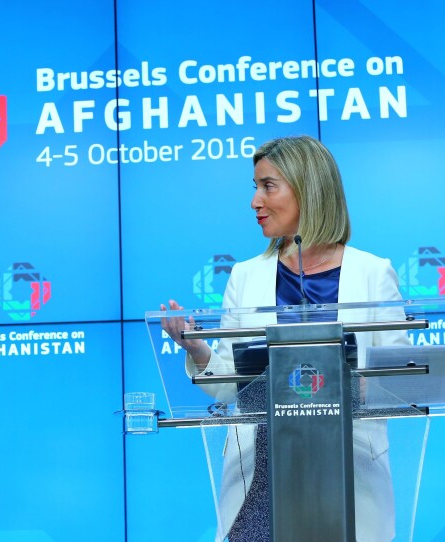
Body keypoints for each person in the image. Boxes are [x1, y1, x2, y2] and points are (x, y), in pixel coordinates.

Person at [161, 136, 407, 542]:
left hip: (346, 473)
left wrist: (341, 384)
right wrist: (195, 347)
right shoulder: (245, 275)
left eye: (268, 186)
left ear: (307, 188)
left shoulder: (373, 273)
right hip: (262, 476)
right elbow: (227, 389)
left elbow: (398, 383)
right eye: (255, 187)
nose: (255, 201)